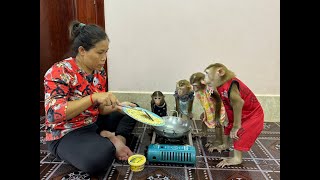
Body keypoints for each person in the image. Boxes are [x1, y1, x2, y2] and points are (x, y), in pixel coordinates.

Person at [43, 20, 138, 175]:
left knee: (134, 110)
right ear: (82, 50)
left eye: (106, 52)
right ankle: (108, 140)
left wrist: (119, 107)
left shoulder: (99, 72)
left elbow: (99, 110)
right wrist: (93, 98)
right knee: (99, 158)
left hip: (92, 123)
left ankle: (117, 139)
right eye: (100, 52)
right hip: (66, 133)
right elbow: (54, 115)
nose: (104, 58)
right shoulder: (59, 72)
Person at [204, 63, 264, 167]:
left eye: (208, 74)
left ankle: (237, 158)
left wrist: (236, 126)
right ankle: (225, 145)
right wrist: (228, 119)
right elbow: (227, 102)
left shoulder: (231, 85)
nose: (206, 79)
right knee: (227, 125)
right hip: (240, 112)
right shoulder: (221, 86)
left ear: (220, 73)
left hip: (252, 114)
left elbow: (238, 103)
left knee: (238, 132)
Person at [190, 72, 229, 152]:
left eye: (195, 85)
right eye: (192, 85)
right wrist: (205, 112)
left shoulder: (210, 90)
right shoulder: (201, 90)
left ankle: (219, 141)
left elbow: (218, 101)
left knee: (217, 124)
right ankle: (204, 132)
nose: (193, 88)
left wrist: (217, 117)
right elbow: (206, 101)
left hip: (218, 109)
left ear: (202, 82)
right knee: (204, 118)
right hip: (210, 109)